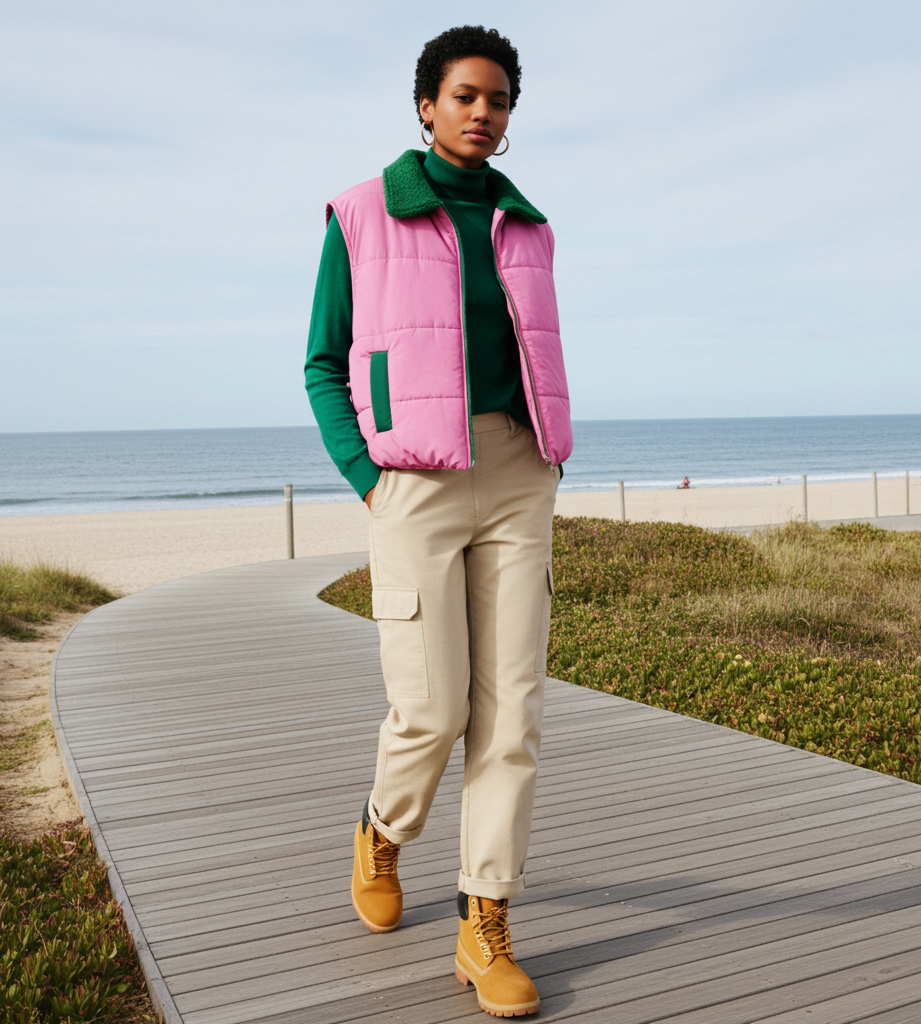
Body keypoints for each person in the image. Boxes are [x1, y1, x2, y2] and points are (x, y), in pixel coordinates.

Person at [304, 25, 571, 1018]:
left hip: (515, 472)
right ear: (426, 104)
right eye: (464, 95)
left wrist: (539, 454)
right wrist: (364, 475)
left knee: (513, 713)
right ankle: (381, 828)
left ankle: (483, 920)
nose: (481, 113)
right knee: (432, 707)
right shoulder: (362, 213)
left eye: (497, 100)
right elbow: (321, 361)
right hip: (412, 480)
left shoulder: (528, 224)